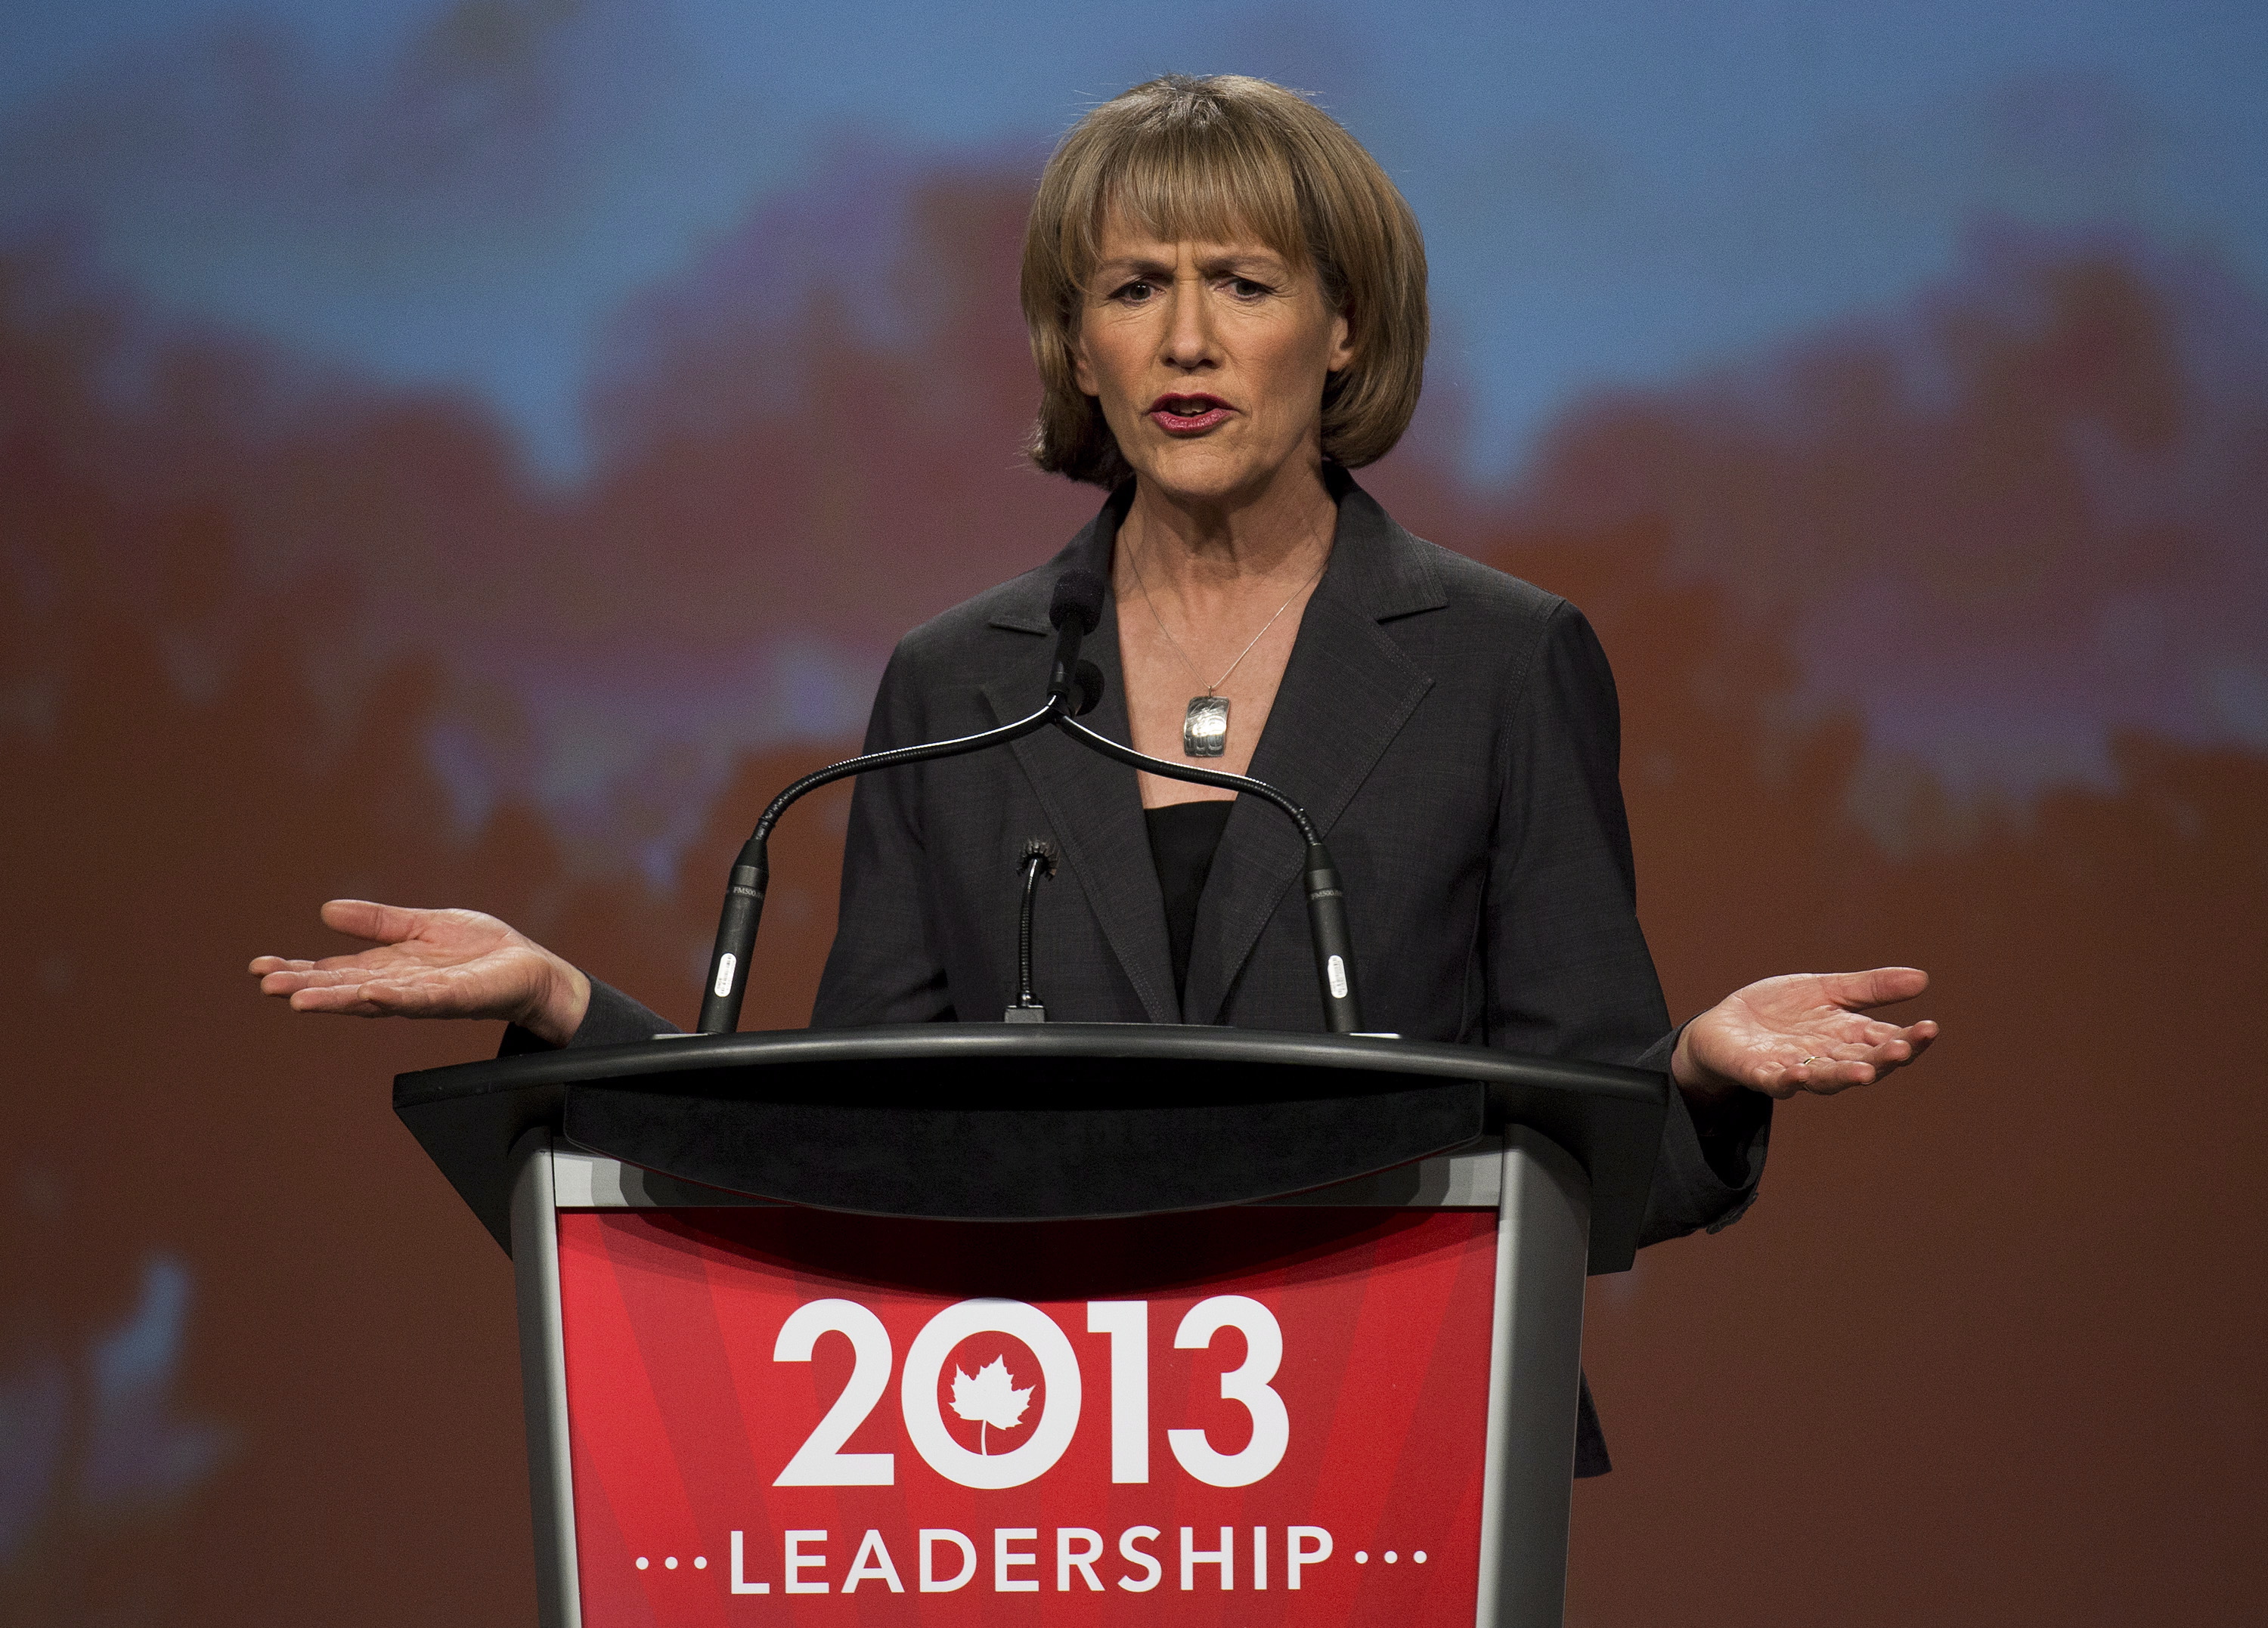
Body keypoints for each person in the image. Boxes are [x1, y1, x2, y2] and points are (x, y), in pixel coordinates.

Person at [251, 75, 1935, 1473]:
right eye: (1133, 290)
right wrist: (566, 1008)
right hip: (1034, 1452)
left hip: (1394, 1441)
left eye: (1244, 284)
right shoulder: (959, 680)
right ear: (1078, 347)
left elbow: (1585, 1139)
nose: (1186, 339)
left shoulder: (1502, 660)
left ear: (1345, 329)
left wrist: (1699, 1074)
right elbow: (842, 1137)